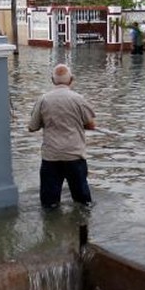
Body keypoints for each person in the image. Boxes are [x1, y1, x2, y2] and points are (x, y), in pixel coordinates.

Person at [27, 64, 97, 209]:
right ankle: (82, 227)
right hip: (74, 156)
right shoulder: (79, 99)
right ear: (71, 79)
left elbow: (32, 127)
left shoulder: (43, 100)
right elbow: (91, 125)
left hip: (51, 157)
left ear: (52, 80)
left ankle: (50, 230)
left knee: (49, 205)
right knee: (83, 203)